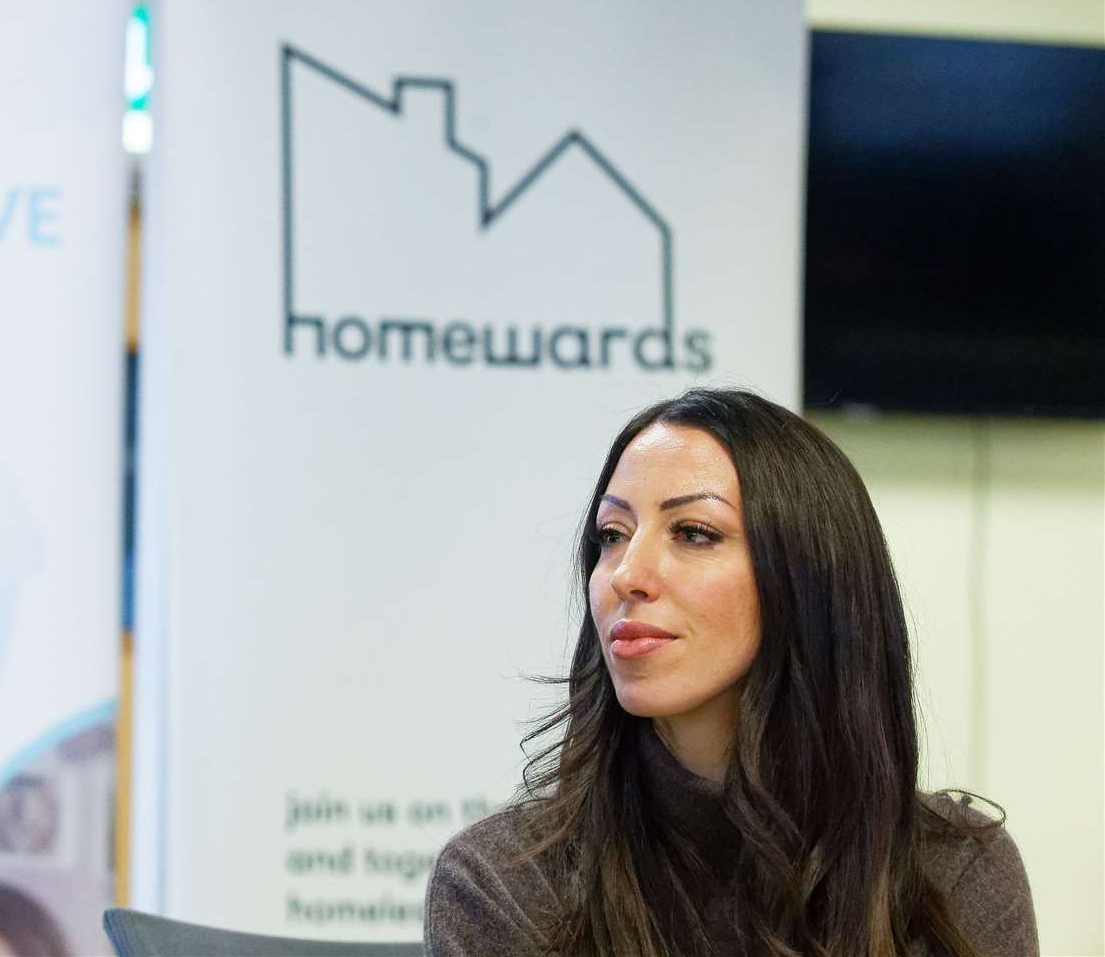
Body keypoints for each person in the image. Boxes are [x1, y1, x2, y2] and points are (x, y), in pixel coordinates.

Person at [424, 388, 1036, 956]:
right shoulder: (505, 883)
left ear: (807, 579)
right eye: (612, 535)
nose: (625, 574)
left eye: (693, 533)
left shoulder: (955, 872)